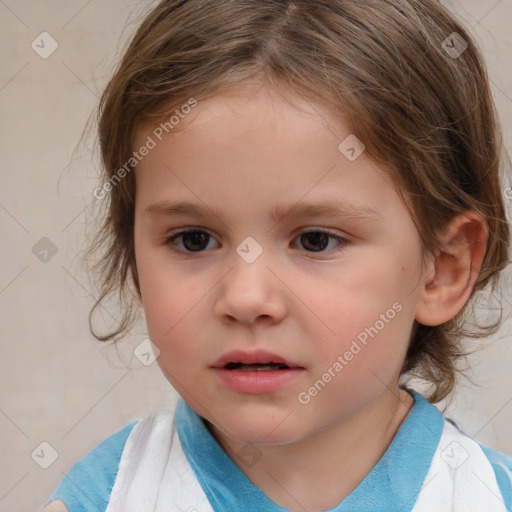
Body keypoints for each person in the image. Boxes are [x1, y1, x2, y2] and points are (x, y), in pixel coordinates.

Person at [42, 0, 512, 510]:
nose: (246, 298)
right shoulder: (105, 498)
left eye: (315, 240)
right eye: (193, 239)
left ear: (443, 269)